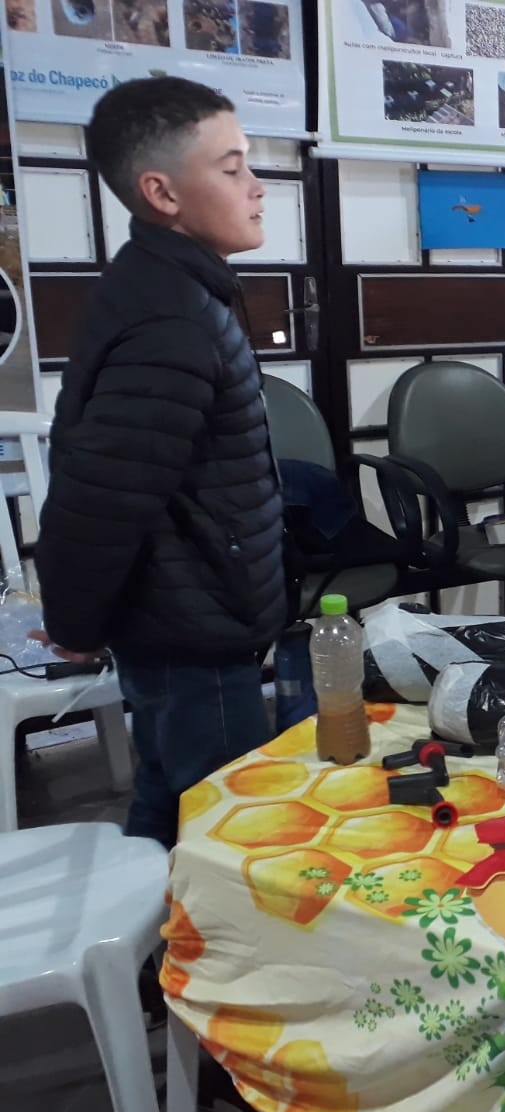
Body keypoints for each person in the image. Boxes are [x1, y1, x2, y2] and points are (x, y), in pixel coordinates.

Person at [33, 77, 287, 849]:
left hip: (189, 619)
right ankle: (181, 969)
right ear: (162, 192)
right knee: (219, 831)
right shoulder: (171, 320)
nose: (257, 187)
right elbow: (101, 494)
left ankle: (142, 961)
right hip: (192, 637)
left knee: (169, 800)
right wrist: (73, 625)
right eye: (233, 166)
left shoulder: (170, 288)